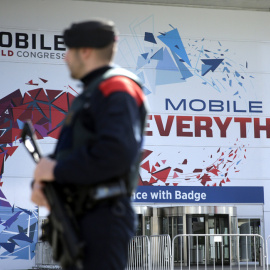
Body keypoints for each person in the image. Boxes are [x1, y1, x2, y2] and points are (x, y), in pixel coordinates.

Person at [31, 19, 147, 270]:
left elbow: (116, 153)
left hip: (103, 216)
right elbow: (77, 152)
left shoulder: (117, 88)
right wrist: (46, 183)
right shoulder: (93, 92)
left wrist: (55, 171)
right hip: (84, 215)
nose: (65, 58)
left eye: (69, 51)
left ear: (85, 52)